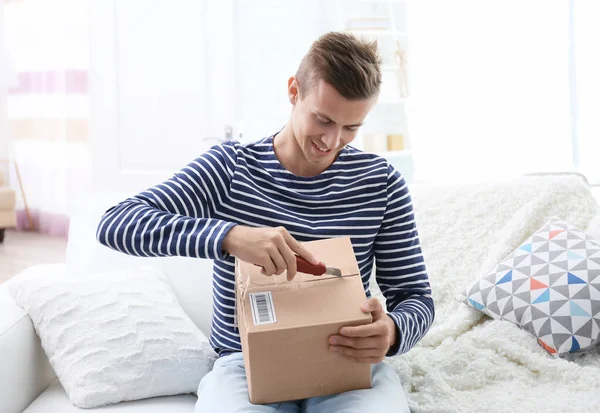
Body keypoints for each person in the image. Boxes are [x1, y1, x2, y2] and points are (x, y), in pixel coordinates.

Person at [97, 31, 434, 413]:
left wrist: (392, 331)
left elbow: (415, 297)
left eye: (351, 128)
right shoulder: (230, 168)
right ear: (294, 91)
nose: (332, 140)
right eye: (322, 119)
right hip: (245, 365)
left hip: (348, 364)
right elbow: (117, 223)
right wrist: (228, 236)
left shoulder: (381, 183)